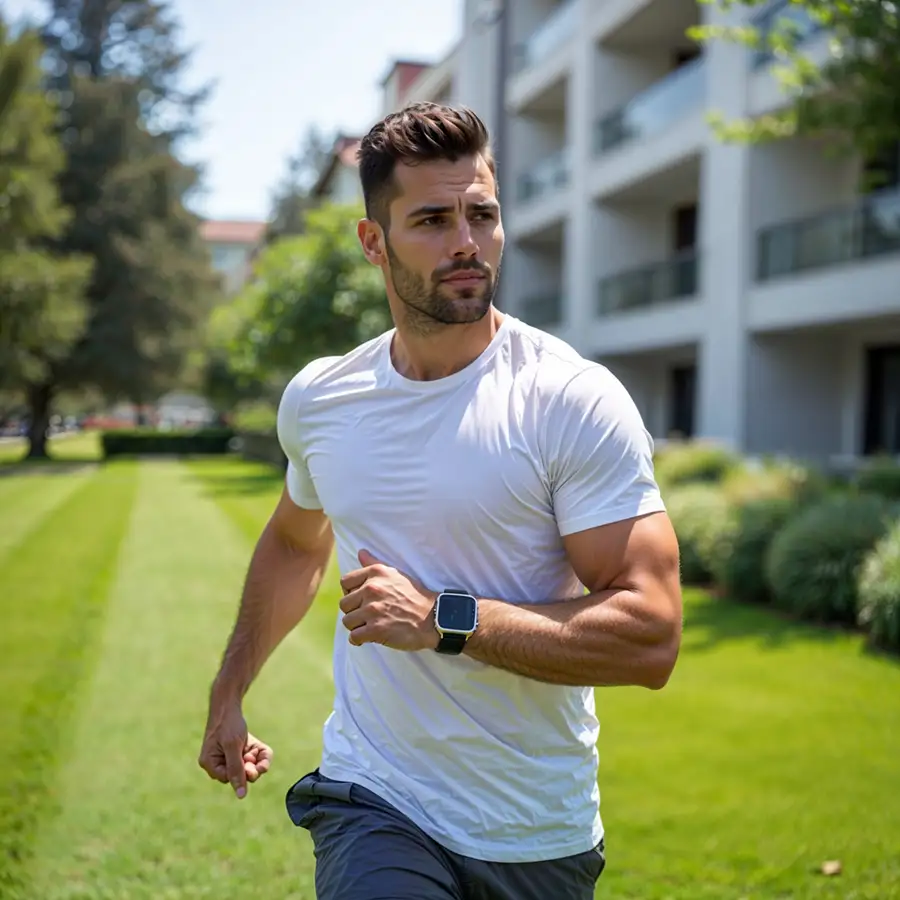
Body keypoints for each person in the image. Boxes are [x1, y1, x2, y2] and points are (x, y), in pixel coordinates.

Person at [198, 102, 683, 900]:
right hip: (376, 800)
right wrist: (229, 690)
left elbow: (650, 635)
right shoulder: (324, 398)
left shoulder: (570, 399)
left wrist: (444, 620)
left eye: (481, 214)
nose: (466, 241)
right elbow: (294, 541)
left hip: (535, 830)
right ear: (372, 243)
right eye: (431, 219)